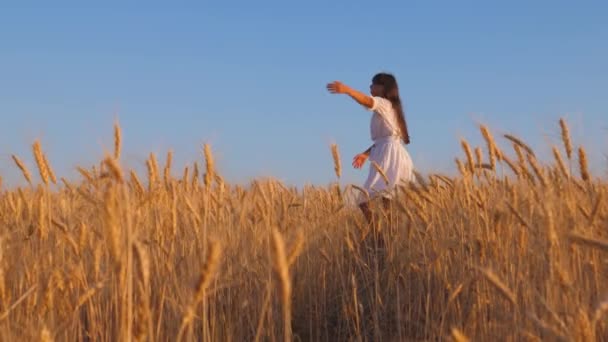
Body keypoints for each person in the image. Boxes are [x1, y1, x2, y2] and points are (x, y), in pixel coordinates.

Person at [327, 72, 415, 222]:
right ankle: (382, 235)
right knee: (384, 199)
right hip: (387, 153)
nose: (370, 86)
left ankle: (380, 235)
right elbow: (383, 140)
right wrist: (366, 154)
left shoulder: (384, 103)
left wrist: (347, 90)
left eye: (373, 84)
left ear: (383, 88)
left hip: (389, 157)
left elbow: (367, 101)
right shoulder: (390, 108)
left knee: (368, 199)